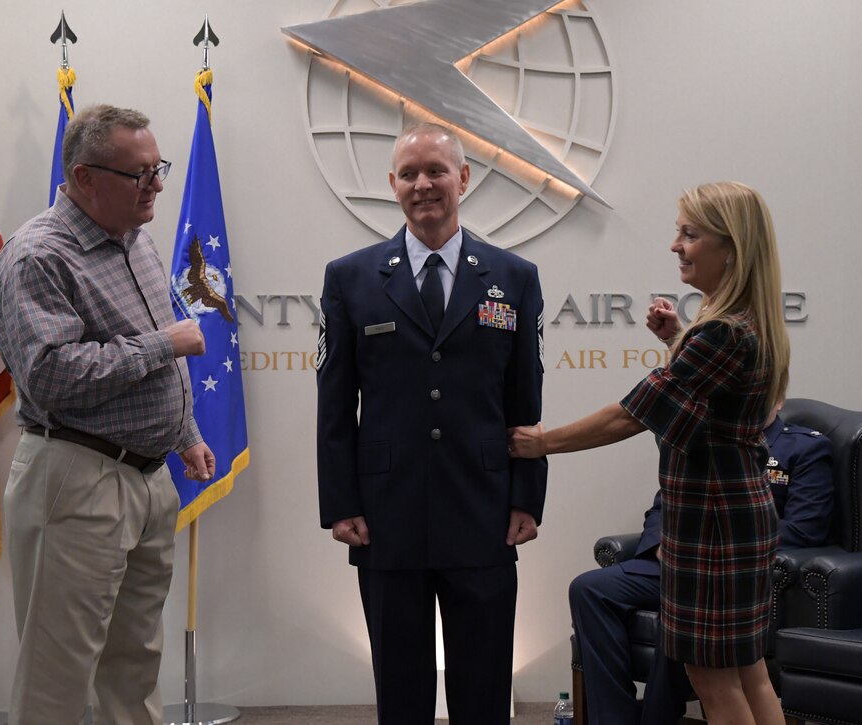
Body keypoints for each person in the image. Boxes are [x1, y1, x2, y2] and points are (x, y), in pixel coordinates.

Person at [510, 181, 790, 724]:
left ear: (730, 246)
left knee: (713, 681)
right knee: (749, 671)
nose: (675, 245)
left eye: (689, 234)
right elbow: (716, 404)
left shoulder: (722, 336)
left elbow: (629, 416)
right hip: (740, 521)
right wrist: (678, 338)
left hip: (710, 528)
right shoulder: (747, 328)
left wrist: (540, 444)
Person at [0, 104, 216, 725]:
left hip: (147, 478)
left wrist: (185, 432)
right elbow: (50, 376)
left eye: (158, 168)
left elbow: (149, 348)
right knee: (57, 675)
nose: (158, 186)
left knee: (135, 662)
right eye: (140, 174)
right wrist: (161, 345)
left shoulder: (133, 239)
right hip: (77, 479)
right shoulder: (38, 258)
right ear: (85, 177)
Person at [316, 123, 547, 725]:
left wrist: (528, 495)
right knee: (400, 683)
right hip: (386, 514)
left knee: (485, 680)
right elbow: (335, 404)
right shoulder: (350, 277)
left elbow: (526, 402)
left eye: (436, 171)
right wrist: (341, 503)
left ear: (463, 179)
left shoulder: (514, 278)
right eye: (409, 174)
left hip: (485, 510)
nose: (423, 185)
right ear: (392, 186)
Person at [570, 398, 833, 724]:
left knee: (683, 607)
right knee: (589, 589)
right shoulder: (703, 436)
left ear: (777, 399)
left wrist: (709, 547)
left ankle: (657, 718)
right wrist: (660, 545)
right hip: (671, 564)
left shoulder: (804, 447)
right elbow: (663, 505)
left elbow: (803, 529)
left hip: (733, 572)